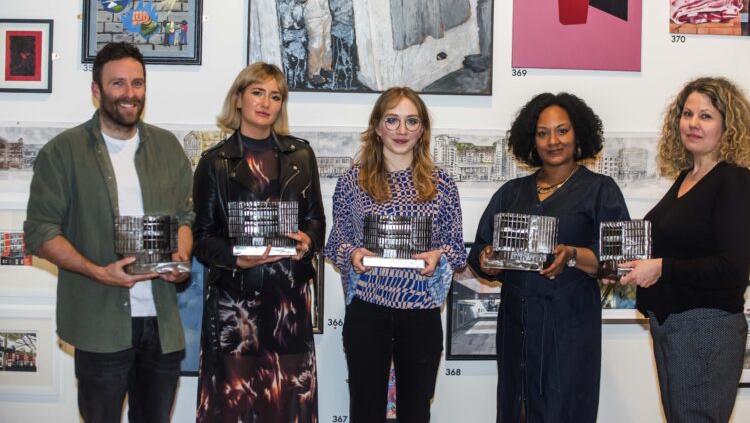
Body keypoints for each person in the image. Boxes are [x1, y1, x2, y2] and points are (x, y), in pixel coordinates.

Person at [23, 41, 194, 423]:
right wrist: (99, 271)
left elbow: (185, 215)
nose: (129, 93)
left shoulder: (167, 147)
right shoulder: (62, 152)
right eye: (118, 84)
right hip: (99, 323)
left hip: (162, 325)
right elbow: (39, 232)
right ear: (96, 91)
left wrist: (181, 258)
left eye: (137, 83)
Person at [467, 93, 629, 423]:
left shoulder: (600, 190)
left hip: (569, 325)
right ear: (532, 138)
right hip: (516, 325)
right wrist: (487, 261)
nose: (552, 141)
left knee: (564, 409)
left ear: (578, 134)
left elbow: (619, 262)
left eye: (562, 130)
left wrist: (571, 255)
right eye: (543, 133)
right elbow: (479, 253)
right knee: (516, 409)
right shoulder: (511, 193)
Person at [619, 77, 750, 423]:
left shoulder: (735, 181)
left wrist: (662, 269)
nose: (693, 123)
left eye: (706, 116)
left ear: (728, 126)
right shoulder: (687, 178)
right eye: (688, 114)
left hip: (706, 331)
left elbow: (731, 270)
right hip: (671, 326)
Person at [193, 62, 324, 422]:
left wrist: (307, 241)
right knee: (234, 403)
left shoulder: (301, 156)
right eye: (257, 92)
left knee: (289, 399)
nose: (266, 102)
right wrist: (237, 258)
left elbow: (317, 221)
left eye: (275, 95)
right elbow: (202, 238)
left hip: (288, 301)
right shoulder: (214, 163)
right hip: (235, 303)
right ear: (238, 98)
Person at [325, 86, 466, 423]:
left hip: (421, 312)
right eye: (393, 120)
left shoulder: (442, 184)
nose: (402, 131)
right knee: (365, 410)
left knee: (416, 412)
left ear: (422, 130)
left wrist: (439, 255)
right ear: (377, 127)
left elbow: (457, 250)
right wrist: (352, 252)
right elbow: (335, 243)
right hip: (368, 311)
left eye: (411, 121)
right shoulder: (351, 182)